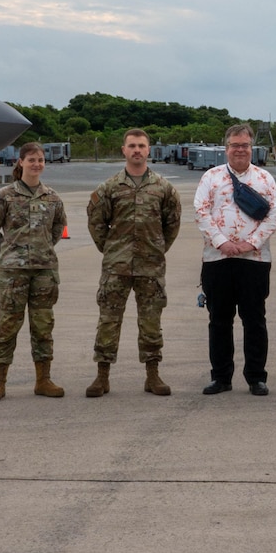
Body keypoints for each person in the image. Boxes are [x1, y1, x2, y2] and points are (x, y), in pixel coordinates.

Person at [85, 127, 182, 398]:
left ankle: (152, 376)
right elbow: (96, 222)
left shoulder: (164, 188)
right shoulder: (109, 188)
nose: (137, 150)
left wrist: (157, 249)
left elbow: (172, 224)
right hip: (116, 267)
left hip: (150, 267)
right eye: (132, 146)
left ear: (149, 150)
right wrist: (111, 250)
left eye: (141, 145)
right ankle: (102, 377)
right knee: (108, 321)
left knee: (151, 322)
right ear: (124, 151)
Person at [193, 122, 276, 395]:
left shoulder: (265, 179)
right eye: (235, 145)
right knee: (219, 319)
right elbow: (201, 210)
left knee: (254, 319)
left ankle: (256, 377)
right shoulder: (211, 177)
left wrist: (249, 243)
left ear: (251, 148)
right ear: (226, 148)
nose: (240, 150)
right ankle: (221, 377)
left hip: (254, 260)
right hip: (217, 259)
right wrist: (222, 243)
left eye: (245, 145)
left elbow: (274, 214)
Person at [0, 140, 67, 400]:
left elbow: (57, 230)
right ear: (21, 162)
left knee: (43, 326)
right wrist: (9, 252)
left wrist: (39, 250)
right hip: (12, 273)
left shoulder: (52, 197)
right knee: (8, 324)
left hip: (44, 271)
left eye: (40, 160)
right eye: (31, 160)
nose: (36, 164)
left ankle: (44, 379)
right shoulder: (4, 196)